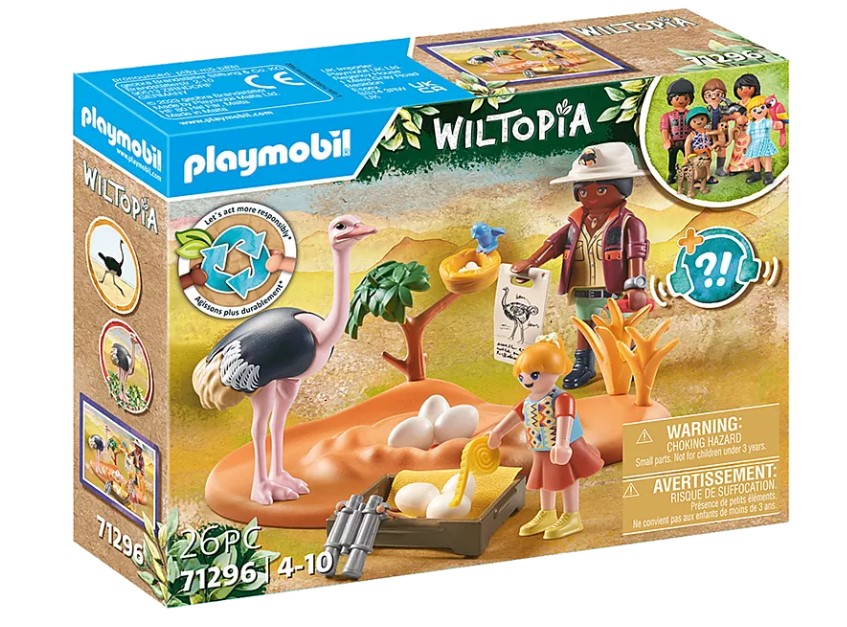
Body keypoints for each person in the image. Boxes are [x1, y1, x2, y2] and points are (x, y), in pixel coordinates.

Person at [511, 142, 649, 388]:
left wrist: (636, 286)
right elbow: (553, 244)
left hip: (616, 291)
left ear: (623, 187)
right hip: (583, 288)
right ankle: (583, 365)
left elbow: (636, 254)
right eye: (584, 191)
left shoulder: (629, 224)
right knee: (584, 327)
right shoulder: (575, 224)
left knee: (621, 329)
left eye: (602, 190)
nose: (591, 196)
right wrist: (531, 263)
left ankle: (627, 362)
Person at [487, 334, 603, 539]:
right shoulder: (529, 401)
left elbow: (565, 418)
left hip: (564, 447)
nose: (526, 380)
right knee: (545, 480)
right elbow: (515, 416)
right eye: (522, 376)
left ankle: (572, 515)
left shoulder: (561, 398)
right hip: (541, 448)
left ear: (555, 370)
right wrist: (498, 432)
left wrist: (562, 443)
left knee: (568, 478)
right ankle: (547, 512)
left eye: (534, 375)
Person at [659, 78, 695, 184]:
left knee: (689, 157)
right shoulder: (668, 116)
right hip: (673, 142)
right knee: (672, 158)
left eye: (685, 97)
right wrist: (666, 140)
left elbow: (695, 126)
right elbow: (665, 129)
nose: (681, 100)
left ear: (690, 99)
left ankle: (689, 173)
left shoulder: (691, 114)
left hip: (687, 142)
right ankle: (672, 174)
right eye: (677, 98)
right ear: (670, 99)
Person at [745, 95, 782, 186]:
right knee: (755, 158)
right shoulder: (751, 125)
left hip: (765, 142)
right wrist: (746, 146)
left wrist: (778, 124)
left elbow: (774, 125)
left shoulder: (767, 122)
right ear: (750, 113)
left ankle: (768, 174)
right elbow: (749, 137)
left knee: (767, 157)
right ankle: (757, 173)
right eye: (754, 110)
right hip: (754, 144)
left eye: (762, 107)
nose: (759, 111)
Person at [701, 78, 731, 176]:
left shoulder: (724, 109)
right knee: (706, 150)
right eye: (709, 95)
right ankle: (705, 170)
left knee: (721, 151)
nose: (713, 97)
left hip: (721, 134)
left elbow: (732, 110)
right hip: (709, 134)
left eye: (718, 94)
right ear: (704, 97)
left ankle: (719, 168)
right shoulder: (705, 111)